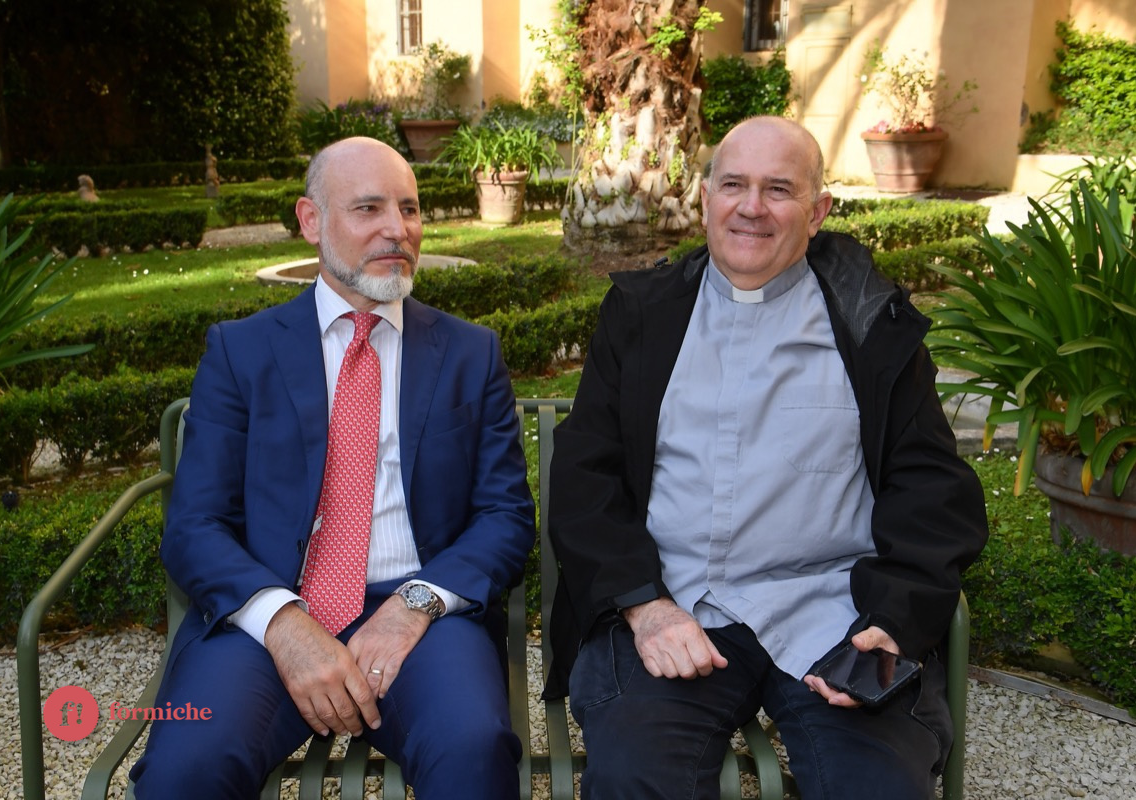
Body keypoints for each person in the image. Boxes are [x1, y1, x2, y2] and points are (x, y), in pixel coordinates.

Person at [545, 116, 988, 799]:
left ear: (818, 211)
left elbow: (931, 489)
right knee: (637, 777)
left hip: (831, 616)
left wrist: (894, 621)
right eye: (733, 186)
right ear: (705, 200)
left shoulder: (872, 329)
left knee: (878, 786)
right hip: (677, 605)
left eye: (779, 189)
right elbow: (585, 477)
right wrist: (644, 606)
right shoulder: (641, 316)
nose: (751, 207)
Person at [130, 137, 535, 798]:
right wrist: (284, 624)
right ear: (311, 220)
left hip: (422, 615)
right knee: (185, 770)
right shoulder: (241, 353)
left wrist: (415, 605)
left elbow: (505, 515)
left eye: (409, 209)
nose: (397, 229)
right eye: (368, 208)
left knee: (473, 749)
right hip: (267, 616)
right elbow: (195, 526)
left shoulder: (469, 354)